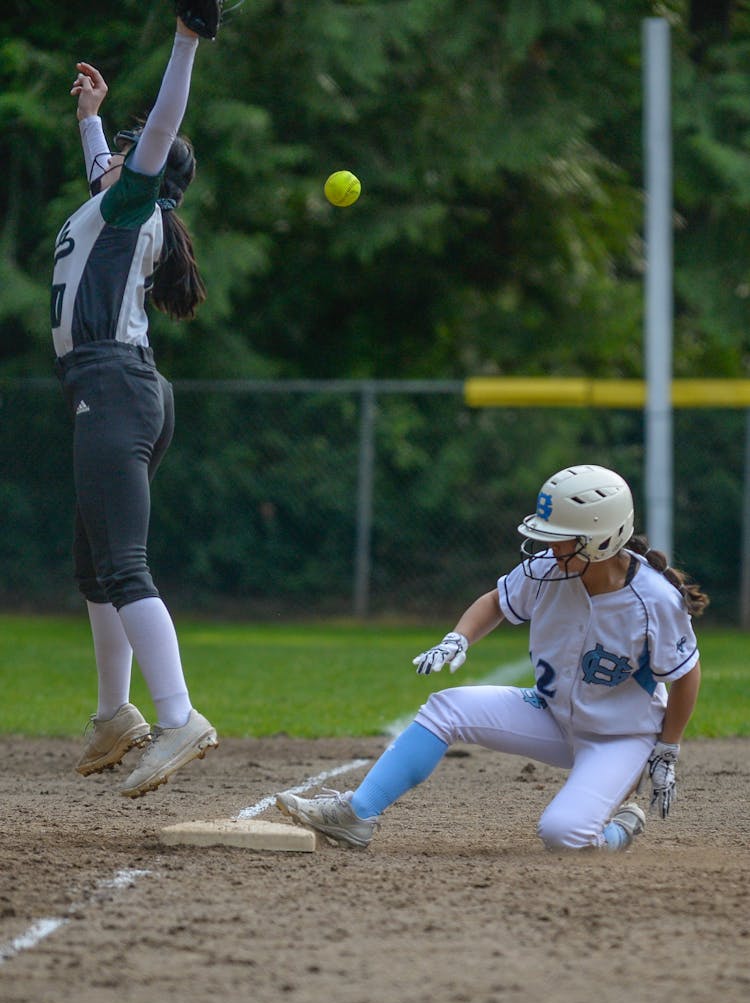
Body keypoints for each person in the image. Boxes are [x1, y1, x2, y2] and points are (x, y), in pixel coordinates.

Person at [277, 464, 708, 851]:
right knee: (446, 708)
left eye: (563, 539)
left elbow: (686, 677)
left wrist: (666, 749)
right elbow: (495, 602)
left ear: (602, 539)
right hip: (553, 715)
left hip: (619, 738)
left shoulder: (653, 599)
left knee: (563, 835)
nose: (550, 547)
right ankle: (357, 814)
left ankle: (620, 830)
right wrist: (458, 639)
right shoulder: (549, 569)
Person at [51, 11, 220, 798]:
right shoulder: (110, 205)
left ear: (150, 170)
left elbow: (163, 121)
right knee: (95, 568)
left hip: (114, 386)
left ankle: (179, 715)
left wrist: (186, 38)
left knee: (123, 564)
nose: (116, 154)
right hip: (113, 388)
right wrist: (88, 120)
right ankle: (116, 715)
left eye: (126, 149)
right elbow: (101, 170)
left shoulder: (131, 207)